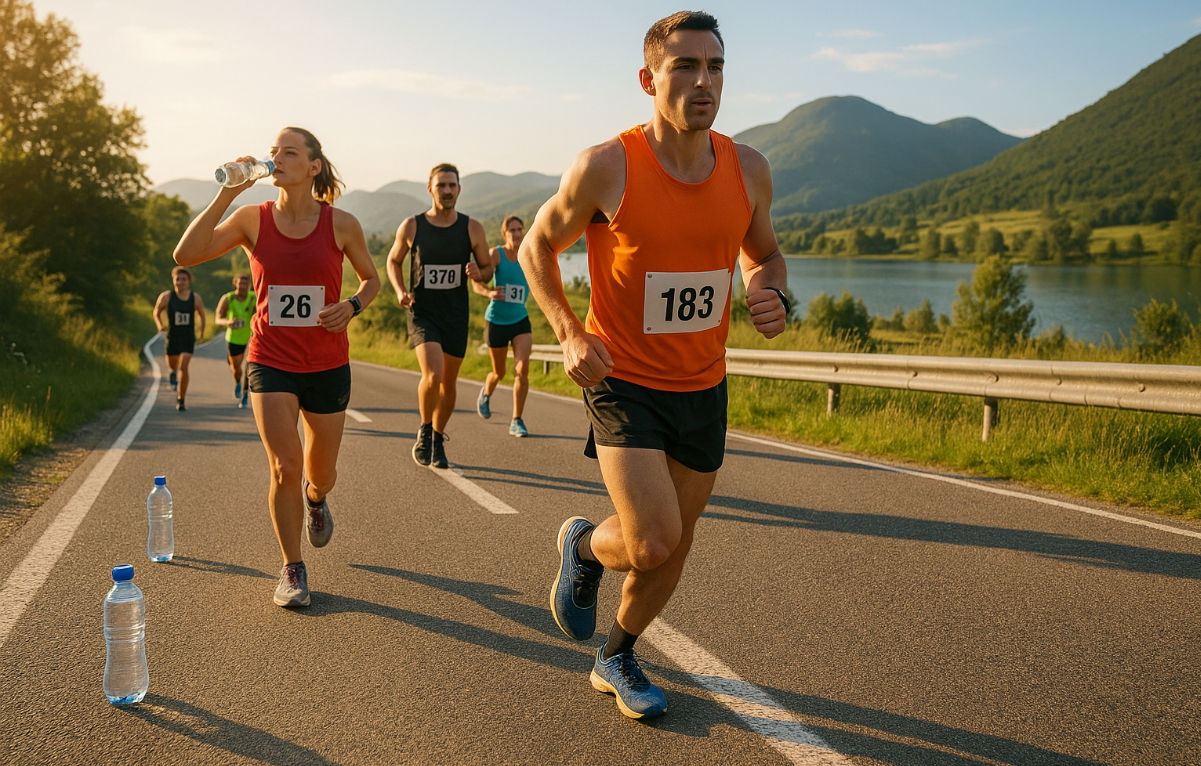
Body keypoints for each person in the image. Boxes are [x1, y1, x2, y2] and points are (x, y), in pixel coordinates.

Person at [520, 11, 790, 719]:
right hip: (623, 378)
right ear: (648, 79)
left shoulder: (747, 168)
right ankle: (585, 543)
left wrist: (768, 291)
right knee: (651, 539)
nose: (704, 81)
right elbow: (534, 249)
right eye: (685, 66)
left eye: (716, 67)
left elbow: (762, 255)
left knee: (673, 549)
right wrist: (569, 332)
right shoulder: (608, 165)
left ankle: (617, 651)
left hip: (703, 384)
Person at [173, 127, 380, 608]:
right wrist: (228, 190)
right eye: (273, 152)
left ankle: (316, 500)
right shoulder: (251, 218)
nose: (276, 158)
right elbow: (186, 254)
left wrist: (351, 305)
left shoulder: (342, 223)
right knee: (285, 465)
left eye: (289, 152)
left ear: (313, 166)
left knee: (319, 473)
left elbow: (370, 280)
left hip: (328, 362)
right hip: (270, 360)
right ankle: (292, 568)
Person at [386, 164, 493, 468]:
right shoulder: (413, 226)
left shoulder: (472, 228)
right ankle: (424, 429)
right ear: (430, 189)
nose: (447, 191)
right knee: (433, 374)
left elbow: (487, 268)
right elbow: (393, 261)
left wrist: (478, 272)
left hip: (455, 315)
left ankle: (438, 435)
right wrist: (399, 290)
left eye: (452, 185)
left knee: (448, 382)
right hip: (423, 313)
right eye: (441, 185)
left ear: (459, 189)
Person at [471, 215, 533, 437]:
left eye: (519, 229)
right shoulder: (496, 254)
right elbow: (476, 281)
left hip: (520, 320)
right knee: (499, 371)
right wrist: (488, 292)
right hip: (496, 321)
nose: (516, 233)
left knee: (521, 368)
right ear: (504, 234)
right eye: (512, 230)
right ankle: (487, 392)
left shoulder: (529, 254)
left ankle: (517, 420)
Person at [153, 266, 206, 411]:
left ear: (189, 281)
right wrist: (159, 325)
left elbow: (202, 314)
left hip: (188, 336)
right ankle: (172, 372)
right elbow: (156, 311)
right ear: (173, 281)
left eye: (184, 279)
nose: (180, 282)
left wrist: (201, 332)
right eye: (178, 279)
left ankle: (181, 399)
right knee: (173, 364)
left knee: (184, 366)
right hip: (173, 336)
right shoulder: (167, 296)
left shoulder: (195, 298)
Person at [215, 273, 255, 408]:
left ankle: (245, 393)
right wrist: (227, 322)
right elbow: (218, 318)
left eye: (245, 283)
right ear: (235, 283)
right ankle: (237, 381)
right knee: (236, 368)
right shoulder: (228, 298)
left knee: (249, 366)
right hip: (234, 338)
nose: (243, 286)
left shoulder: (253, 297)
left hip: (251, 338)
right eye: (240, 283)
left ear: (249, 284)